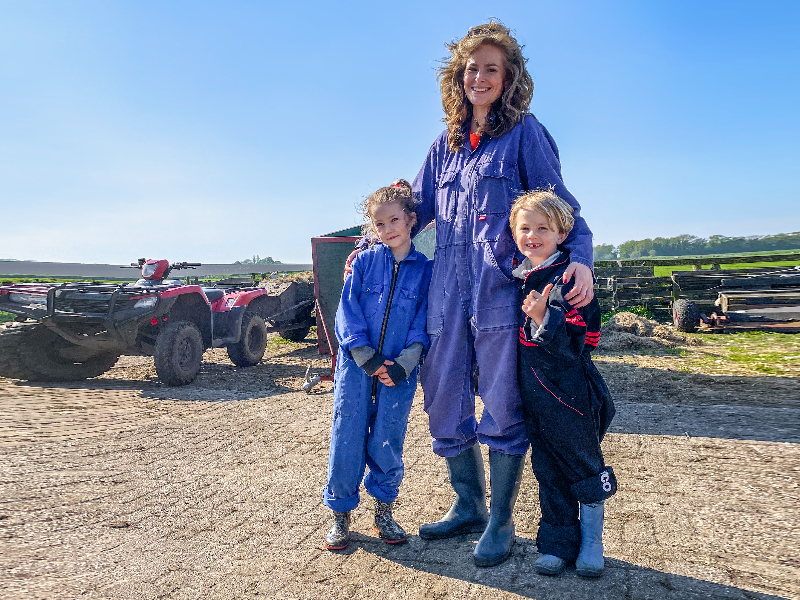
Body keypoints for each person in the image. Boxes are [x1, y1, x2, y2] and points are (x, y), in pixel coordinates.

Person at [344, 20, 596, 567]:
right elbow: (414, 211)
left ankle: (502, 522)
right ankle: (469, 505)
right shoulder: (445, 144)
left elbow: (561, 207)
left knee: (502, 401)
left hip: (501, 293)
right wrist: (368, 244)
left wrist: (581, 259)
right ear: (457, 76)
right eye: (471, 68)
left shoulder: (525, 134)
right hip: (445, 293)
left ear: (508, 79)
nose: (479, 77)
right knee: (442, 396)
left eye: (491, 69)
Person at [323, 180, 433, 551]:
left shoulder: (426, 270)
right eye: (379, 224)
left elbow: (424, 318)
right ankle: (340, 514)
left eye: (394, 220)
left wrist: (406, 361)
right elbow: (347, 311)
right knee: (347, 438)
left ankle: (383, 510)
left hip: (398, 375)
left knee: (388, 439)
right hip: (357, 370)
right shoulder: (365, 263)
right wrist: (364, 356)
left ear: (411, 220)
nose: (387, 229)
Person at [510, 189, 616, 577]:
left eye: (543, 228)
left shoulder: (570, 278)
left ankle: (592, 542)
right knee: (548, 470)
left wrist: (544, 319)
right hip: (534, 394)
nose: (532, 235)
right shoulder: (519, 276)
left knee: (583, 466)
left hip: (569, 393)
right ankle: (557, 544)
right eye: (525, 227)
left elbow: (584, 342)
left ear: (562, 233)